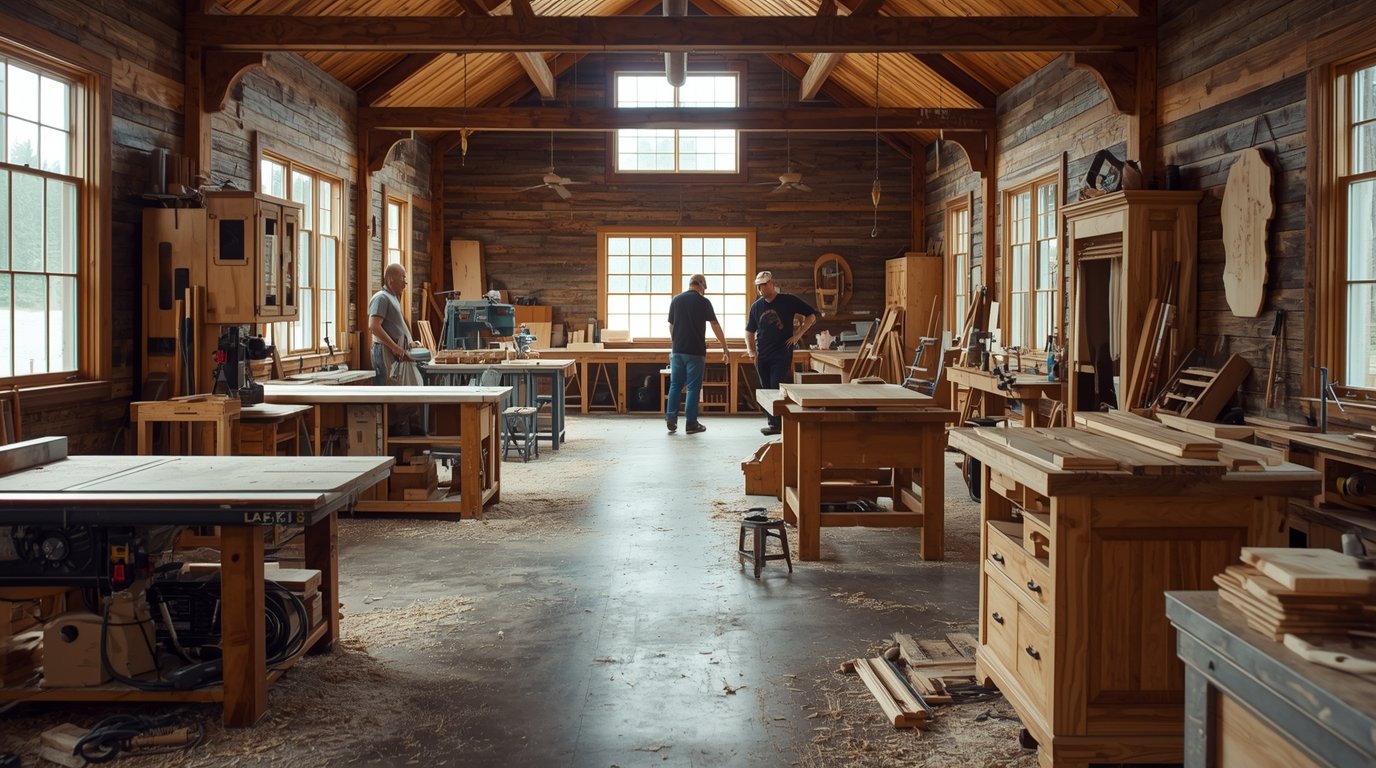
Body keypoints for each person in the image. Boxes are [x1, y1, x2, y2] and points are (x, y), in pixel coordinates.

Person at [745, 270, 818, 435]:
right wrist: (751, 350)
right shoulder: (756, 306)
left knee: (775, 385)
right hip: (762, 354)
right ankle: (773, 424)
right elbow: (749, 331)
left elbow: (811, 316)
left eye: (764, 285)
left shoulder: (788, 300)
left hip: (781, 353)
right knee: (766, 389)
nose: (761, 289)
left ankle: (778, 424)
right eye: (758, 287)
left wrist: (798, 334)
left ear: (771, 283)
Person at [666, 273, 730, 435]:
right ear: (701, 285)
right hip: (695, 352)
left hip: (677, 350)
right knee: (694, 388)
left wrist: (676, 342)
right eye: (705, 288)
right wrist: (725, 348)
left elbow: (671, 326)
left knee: (675, 385)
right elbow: (715, 324)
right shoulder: (703, 302)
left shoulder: (676, 300)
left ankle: (671, 418)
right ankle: (691, 424)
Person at [367, 263, 417, 386]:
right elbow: (374, 326)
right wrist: (394, 347)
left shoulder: (393, 297)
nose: (405, 282)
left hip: (394, 351)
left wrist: (410, 342)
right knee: (387, 388)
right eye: (403, 277)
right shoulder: (381, 298)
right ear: (390, 279)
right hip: (385, 351)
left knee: (395, 388)